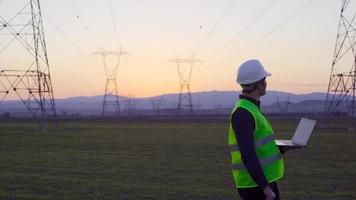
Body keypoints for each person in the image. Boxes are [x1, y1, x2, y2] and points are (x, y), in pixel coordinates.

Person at [228, 59, 284, 200]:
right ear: (260, 84)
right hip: (254, 186)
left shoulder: (252, 108)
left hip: (261, 181)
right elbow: (247, 154)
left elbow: (258, 144)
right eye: (264, 80)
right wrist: (265, 188)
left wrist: (280, 148)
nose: (266, 83)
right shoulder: (243, 113)